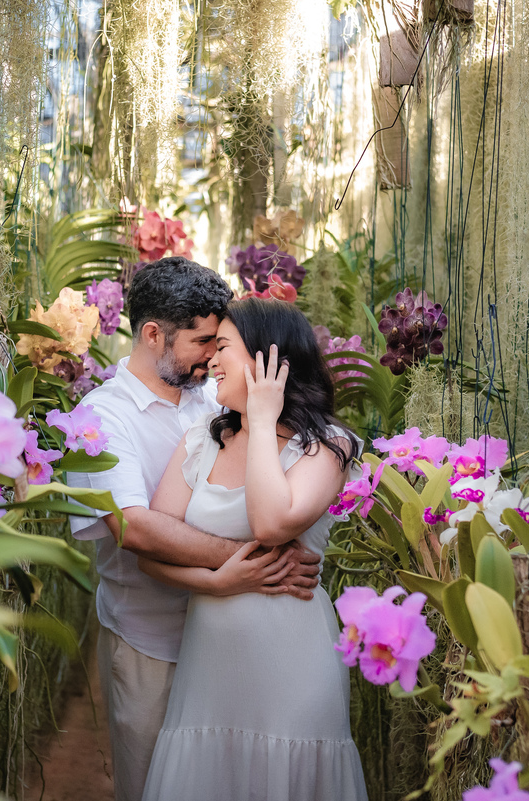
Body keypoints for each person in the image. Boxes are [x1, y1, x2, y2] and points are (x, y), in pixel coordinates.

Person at [65, 258, 322, 801]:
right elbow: (134, 528)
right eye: (203, 341)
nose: (214, 354)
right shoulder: (102, 418)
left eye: (219, 341)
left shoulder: (216, 401)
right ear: (153, 334)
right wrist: (255, 559)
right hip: (151, 640)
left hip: (236, 639)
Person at [139, 298, 369, 801]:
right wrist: (217, 582)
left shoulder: (328, 445)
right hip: (210, 666)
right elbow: (153, 546)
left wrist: (263, 422)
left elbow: (271, 524)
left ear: (269, 360)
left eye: (223, 348)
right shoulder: (202, 439)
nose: (212, 362)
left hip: (294, 663)